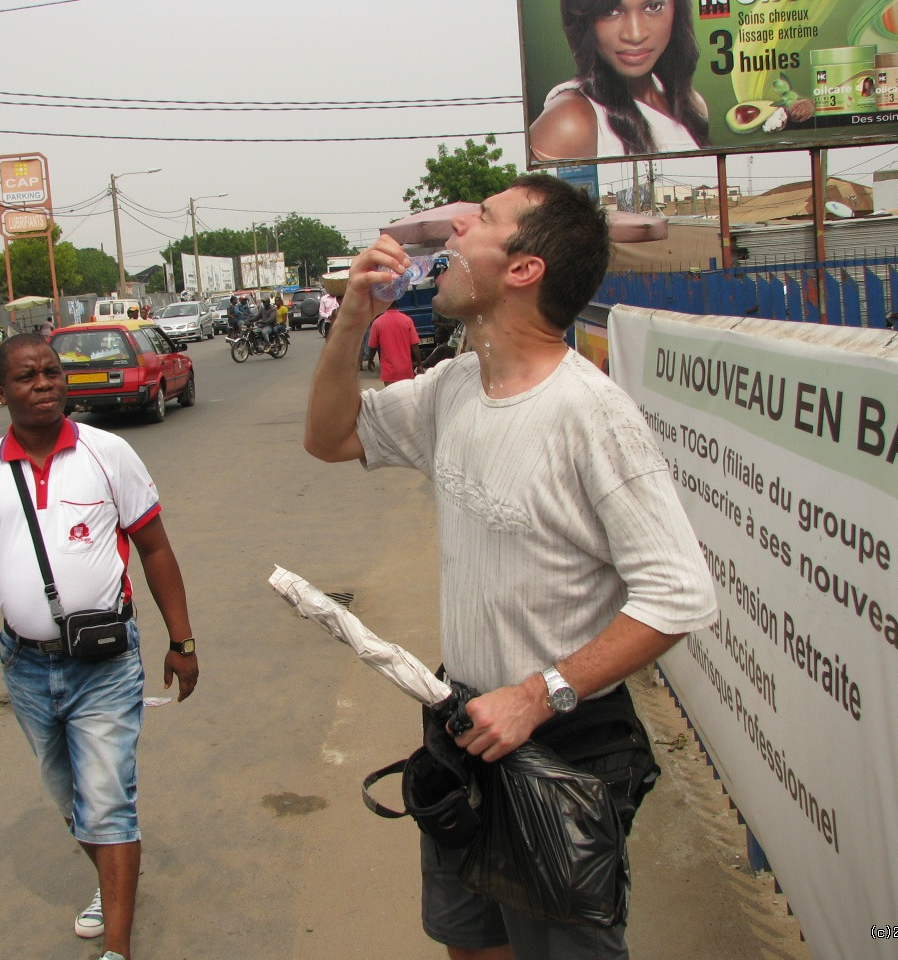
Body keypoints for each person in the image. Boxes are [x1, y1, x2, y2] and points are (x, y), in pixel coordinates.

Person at [304, 174, 717, 960]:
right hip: (464, 731)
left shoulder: (592, 416)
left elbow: (681, 593)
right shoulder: (455, 387)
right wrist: (352, 318)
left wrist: (539, 695)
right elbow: (329, 438)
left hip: (559, 746)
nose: (454, 236)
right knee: (472, 945)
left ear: (525, 269)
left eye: (481, 222)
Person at [0, 333, 200, 960]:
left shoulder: (107, 453)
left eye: (53, 373)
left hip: (107, 660)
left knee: (108, 800)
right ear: (1, 393)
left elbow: (156, 548)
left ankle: (117, 947)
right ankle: (108, 880)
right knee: (68, 796)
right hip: (27, 668)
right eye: (29, 377)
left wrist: (182, 639)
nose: (46, 384)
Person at [528, 0, 710, 162]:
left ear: (677, 9)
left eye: (653, 7)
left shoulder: (691, 104)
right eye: (611, 11)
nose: (635, 35)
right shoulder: (569, 121)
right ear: (583, 19)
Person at [365, 306, 424, 386]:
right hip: (406, 371)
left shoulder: (377, 322)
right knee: (406, 397)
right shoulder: (407, 320)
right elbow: (414, 346)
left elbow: (372, 347)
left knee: (391, 397)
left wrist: (370, 360)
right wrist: (419, 364)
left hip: (389, 373)